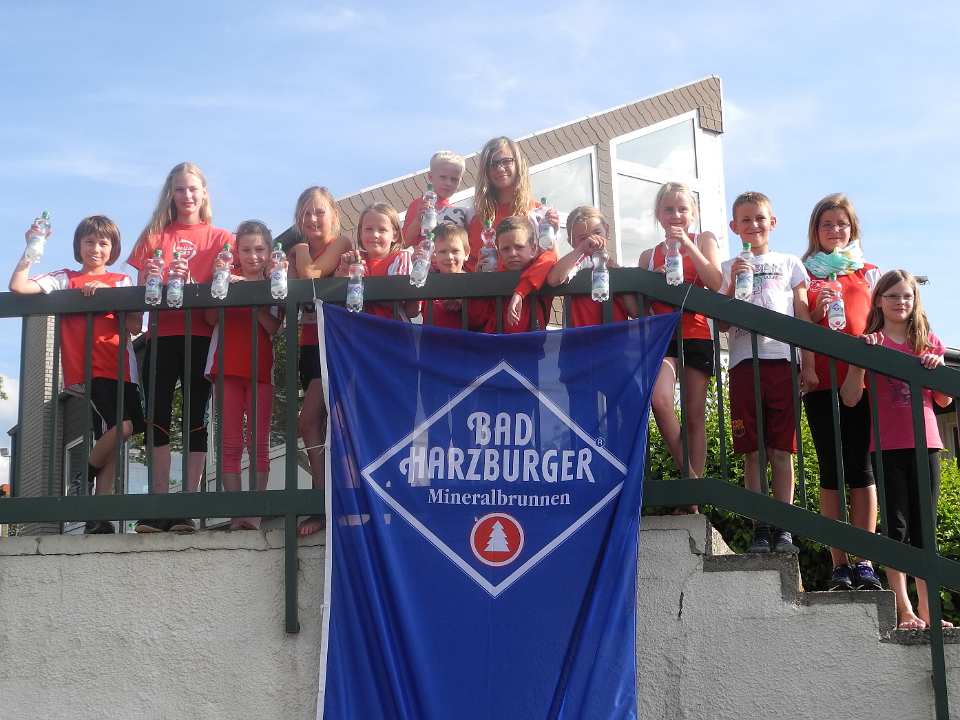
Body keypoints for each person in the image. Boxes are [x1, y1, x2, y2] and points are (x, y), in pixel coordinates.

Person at [9, 215, 144, 534]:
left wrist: (110, 298)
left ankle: (98, 516)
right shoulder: (65, 278)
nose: (96, 248)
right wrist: (31, 249)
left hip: (123, 369)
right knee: (124, 427)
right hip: (89, 370)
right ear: (78, 245)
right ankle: (84, 475)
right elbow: (18, 286)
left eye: (103, 243)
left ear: (113, 248)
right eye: (89, 242)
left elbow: (135, 325)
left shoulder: (121, 281)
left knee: (112, 440)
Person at [840, 270, 954, 630]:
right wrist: (859, 361)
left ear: (915, 300)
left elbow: (944, 399)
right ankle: (904, 610)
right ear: (879, 300)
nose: (900, 302)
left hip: (927, 444)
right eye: (892, 296)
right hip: (887, 446)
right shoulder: (870, 342)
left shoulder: (928, 341)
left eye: (907, 296)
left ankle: (929, 610)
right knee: (897, 529)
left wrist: (937, 368)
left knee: (925, 531)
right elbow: (850, 398)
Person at [127, 162, 233, 533]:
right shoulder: (154, 236)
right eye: (179, 189)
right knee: (156, 414)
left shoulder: (221, 237)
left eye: (192, 189)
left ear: (204, 193)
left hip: (201, 336)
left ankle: (186, 504)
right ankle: (158, 504)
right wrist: (151, 278)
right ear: (170, 195)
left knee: (195, 416)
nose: (187, 196)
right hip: (161, 335)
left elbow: (234, 281)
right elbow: (140, 291)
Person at [720, 191, 815, 554]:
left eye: (760, 218)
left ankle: (783, 526)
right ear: (734, 226)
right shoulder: (729, 266)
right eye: (745, 220)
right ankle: (760, 525)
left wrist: (809, 363)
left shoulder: (789, 262)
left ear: (772, 222)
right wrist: (732, 284)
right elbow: (721, 323)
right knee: (753, 450)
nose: (753, 225)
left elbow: (802, 314)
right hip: (744, 362)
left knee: (781, 449)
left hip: (783, 360)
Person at [801, 194, 883, 591]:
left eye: (842, 224)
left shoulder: (868, 271)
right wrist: (819, 310)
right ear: (816, 230)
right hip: (820, 380)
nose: (835, 230)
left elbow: (881, 323)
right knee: (831, 469)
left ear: (853, 229)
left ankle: (865, 560)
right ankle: (839, 564)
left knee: (861, 468)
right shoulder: (805, 272)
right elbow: (800, 323)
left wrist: (860, 369)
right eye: (827, 224)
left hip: (861, 381)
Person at [638, 183, 721, 512]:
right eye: (669, 209)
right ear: (659, 214)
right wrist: (652, 282)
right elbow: (638, 305)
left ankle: (690, 501)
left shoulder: (704, 240)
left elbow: (716, 282)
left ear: (693, 213)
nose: (676, 215)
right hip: (662, 335)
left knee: (694, 415)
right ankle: (693, 484)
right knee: (659, 400)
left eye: (682, 209)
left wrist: (686, 243)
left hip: (696, 333)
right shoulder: (649, 255)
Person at [204, 221, 282, 531]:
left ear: (269, 251)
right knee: (230, 443)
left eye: (259, 249)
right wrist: (224, 286)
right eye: (246, 250)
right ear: (237, 252)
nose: (253, 256)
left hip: (261, 370)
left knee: (258, 442)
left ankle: (255, 512)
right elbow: (210, 317)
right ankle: (237, 513)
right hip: (225, 368)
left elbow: (274, 327)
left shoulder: (275, 283)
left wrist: (251, 300)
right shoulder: (226, 279)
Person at [287, 186, 351, 538]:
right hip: (309, 343)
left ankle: (327, 498)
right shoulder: (295, 254)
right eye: (306, 213)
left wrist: (298, 252)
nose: (313, 218)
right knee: (319, 424)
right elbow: (289, 295)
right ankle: (324, 498)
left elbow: (311, 274)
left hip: (337, 343)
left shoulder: (340, 244)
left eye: (319, 211)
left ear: (333, 216)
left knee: (312, 420)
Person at [466, 137, 558, 325]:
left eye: (506, 161)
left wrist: (552, 235)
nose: (500, 168)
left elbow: (550, 260)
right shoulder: (475, 218)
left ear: (518, 163)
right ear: (485, 171)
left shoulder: (538, 213)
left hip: (528, 317)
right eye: (493, 164)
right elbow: (468, 265)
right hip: (486, 321)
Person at [546, 206, 639, 326]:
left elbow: (635, 311)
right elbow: (553, 279)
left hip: (615, 335)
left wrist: (618, 274)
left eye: (597, 233)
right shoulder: (578, 264)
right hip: (582, 335)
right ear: (571, 242)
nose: (592, 240)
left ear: (607, 231)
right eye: (583, 238)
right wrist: (581, 249)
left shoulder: (615, 268)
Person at [338, 203, 418, 321]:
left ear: (395, 235)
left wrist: (358, 282)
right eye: (368, 229)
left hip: (392, 327)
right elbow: (338, 294)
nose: (375, 235)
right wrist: (344, 271)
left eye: (382, 230)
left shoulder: (401, 257)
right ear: (360, 233)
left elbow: (397, 295)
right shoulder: (355, 259)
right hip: (360, 327)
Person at [482, 216, 551, 334]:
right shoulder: (495, 274)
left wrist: (520, 292)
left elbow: (549, 257)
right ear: (498, 252)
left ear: (533, 248)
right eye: (505, 249)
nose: (512, 253)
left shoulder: (542, 266)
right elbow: (477, 317)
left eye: (519, 247)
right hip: (498, 342)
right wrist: (479, 278)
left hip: (533, 342)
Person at [418, 222, 487, 330]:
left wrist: (464, 301)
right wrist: (417, 267)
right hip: (433, 340)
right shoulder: (428, 282)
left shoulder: (472, 283)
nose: (449, 256)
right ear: (433, 255)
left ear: (466, 253)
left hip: (464, 340)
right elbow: (414, 310)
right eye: (443, 252)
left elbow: (480, 320)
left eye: (455, 251)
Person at [401, 151, 467, 246]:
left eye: (454, 179)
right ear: (430, 177)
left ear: (460, 181)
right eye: (443, 177)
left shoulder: (458, 213)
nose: (448, 183)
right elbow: (404, 243)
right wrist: (418, 220)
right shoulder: (419, 205)